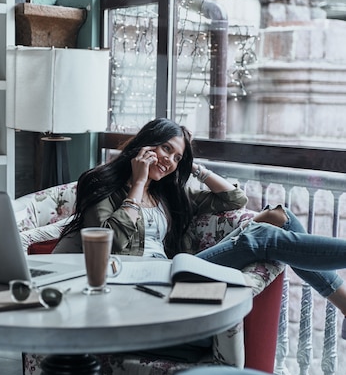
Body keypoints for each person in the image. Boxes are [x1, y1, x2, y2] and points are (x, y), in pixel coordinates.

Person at [54, 118, 346, 324]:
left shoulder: (168, 194)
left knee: (280, 218)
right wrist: (138, 183)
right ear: (145, 145)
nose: (169, 160)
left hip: (173, 272)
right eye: (166, 148)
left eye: (177, 157)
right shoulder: (100, 183)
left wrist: (194, 168)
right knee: (258, 237)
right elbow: (108, 242)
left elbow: (234, 200)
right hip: (136, 286)